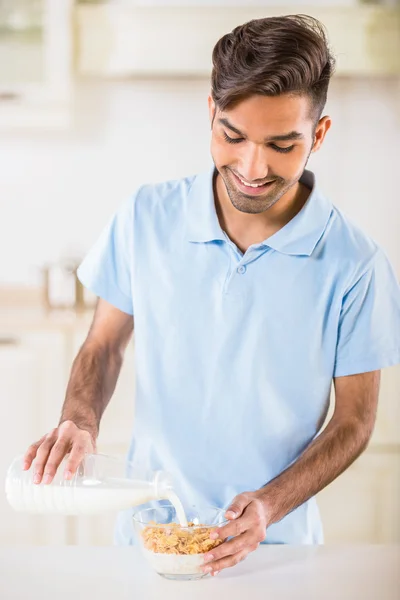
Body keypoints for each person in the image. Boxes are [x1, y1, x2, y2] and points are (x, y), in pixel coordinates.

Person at [23, 15, 400, 575]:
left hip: (278, 549)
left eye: (281, 144)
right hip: (146, 537)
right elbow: (103, 346)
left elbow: (354, 423)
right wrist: (79, 419)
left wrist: (268, 506)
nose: (252, 166)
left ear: (318, 136)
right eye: (233, 136)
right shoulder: (146, 218)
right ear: (210, 114)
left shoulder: (355, 264)